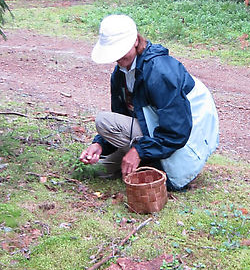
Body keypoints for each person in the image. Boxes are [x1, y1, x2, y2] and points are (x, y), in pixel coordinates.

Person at [79, 14, 219, 190]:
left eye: (121, 49)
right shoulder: (120, 74)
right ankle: (146, 161)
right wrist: (99, 143)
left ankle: (154, 164)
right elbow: (122, 116)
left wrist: (139, 151)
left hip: (187, 142)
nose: (118, 57)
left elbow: (177, 131)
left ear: (136, 41)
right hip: (154, 130)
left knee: (103, 121)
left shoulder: (160, 72)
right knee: (100, 168)